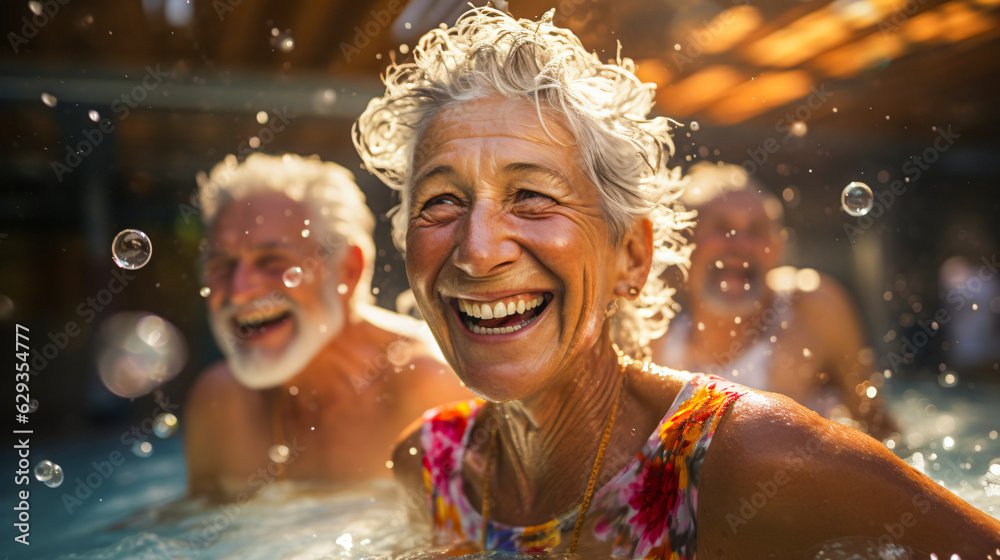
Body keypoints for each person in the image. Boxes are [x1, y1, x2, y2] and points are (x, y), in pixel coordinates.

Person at [353, 7, 1000, 558]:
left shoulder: (746, 457)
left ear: (632, 257)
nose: (477, 250)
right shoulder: (429, 468)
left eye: (530, 195)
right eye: (440, 202)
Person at [185, 153, 470, 499]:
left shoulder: (431, 385)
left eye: (274, 262)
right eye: (222, 265)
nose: (240, 292)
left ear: (348, 270)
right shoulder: (221, 402)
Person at [649, 161, 896, 439]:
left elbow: (878, 427)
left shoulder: (812, 310)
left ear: (775, 248)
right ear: (684, 245)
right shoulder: (654, 335)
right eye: (721, 227)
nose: (741, 244)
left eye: (756, 230)